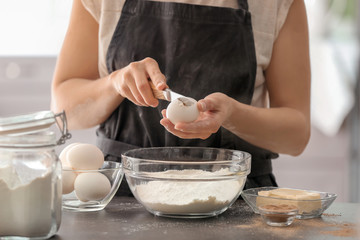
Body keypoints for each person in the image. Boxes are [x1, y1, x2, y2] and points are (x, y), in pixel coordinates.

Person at [51, 0, 311, 195]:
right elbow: (64, 110)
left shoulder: (276, 4)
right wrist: (115, 83)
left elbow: (295, 136)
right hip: (124, 195)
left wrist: (232, 115)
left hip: (234, 198)